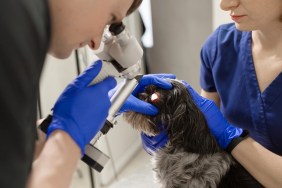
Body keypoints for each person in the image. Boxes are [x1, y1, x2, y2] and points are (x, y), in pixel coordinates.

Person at [0, 0, 176, 188]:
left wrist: (52, 124)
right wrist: (68, 137)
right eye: (110, 18)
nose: (95, 43)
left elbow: (7, 148)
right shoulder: (14, 25)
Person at [135, 0, 282, 187]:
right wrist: (172, 137)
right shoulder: (220, 45)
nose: (225, 4)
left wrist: (232, 139)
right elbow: (205, 145)